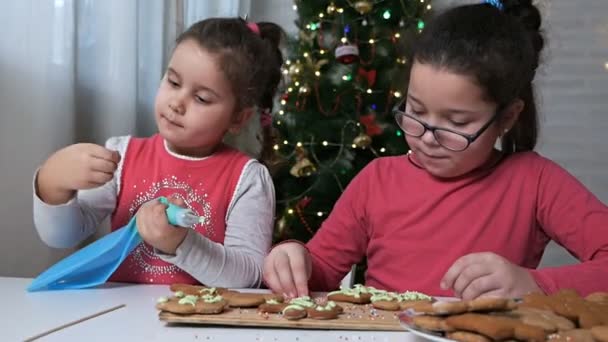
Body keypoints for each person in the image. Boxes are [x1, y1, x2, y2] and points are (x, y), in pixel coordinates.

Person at [263, 0, 608, 299]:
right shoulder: (378, 180)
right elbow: (321, 269)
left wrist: (535, 284)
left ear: (507, 117)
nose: (427, 137)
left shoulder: (535, 181)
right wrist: (294, 258)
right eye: (415, 110)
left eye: (457, 123)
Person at [33, 17, 284, 288]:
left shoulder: (247, 179)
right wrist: (52, 182)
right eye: (174, 82)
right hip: (117, 320)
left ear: (238, 118)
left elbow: (248, 277)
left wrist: (181, 243)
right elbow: (62, 236)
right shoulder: (122, 156)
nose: (177, 103)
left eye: (201, 98)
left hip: (203, 326)